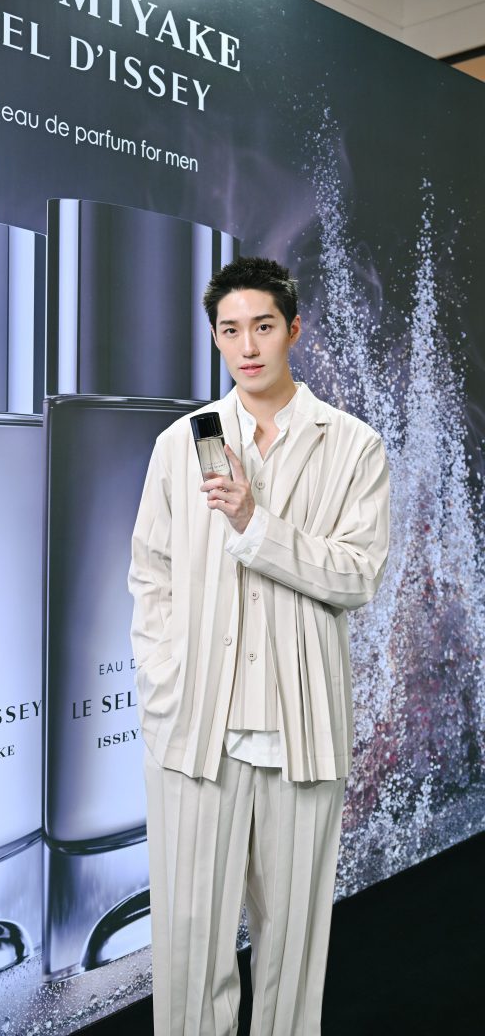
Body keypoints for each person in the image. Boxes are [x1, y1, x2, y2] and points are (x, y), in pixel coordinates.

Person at [128, 256, 389, 1036]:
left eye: (263, 327)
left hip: (302, 732)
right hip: (196, 732)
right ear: (215, 338)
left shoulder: (353, 446)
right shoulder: (182, 444)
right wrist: (163, 682)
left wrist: (254, 523)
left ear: (293, 330)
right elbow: (150, 573)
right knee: (189, 952)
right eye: (230, 330)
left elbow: (357, 574)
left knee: (292, 952)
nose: (247, 346)